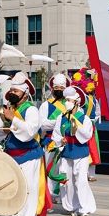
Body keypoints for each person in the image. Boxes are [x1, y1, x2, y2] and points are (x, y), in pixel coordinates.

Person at [0, 72, 50, 216]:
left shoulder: (31, 109)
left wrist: (13, 120)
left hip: (29, 155)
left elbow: (29, 132)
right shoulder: (8, 109)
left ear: (25, 94)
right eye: (12, 90)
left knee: (29, 189)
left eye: (16, 91)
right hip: (12, 156)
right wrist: (4, 120)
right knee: (17, 189)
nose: (12, 93)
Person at [51, 86, 97, 216]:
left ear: (76, 101)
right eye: (66, 100)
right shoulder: (61, 117)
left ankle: (85, 209)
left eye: (69, 100)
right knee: (67, 181)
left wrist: (76, 128)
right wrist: (61, 140)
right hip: (66, 153)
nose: (67, 102)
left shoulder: (84, 118)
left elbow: (87, 135)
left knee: (80, 180)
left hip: (80, 153)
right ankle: (71, 206)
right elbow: (56, 134)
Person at [39, 73, 70, 201]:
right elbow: (42, 124)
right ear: (52, 88)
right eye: (56, 88)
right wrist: (59, 122)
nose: (59, 90)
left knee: (63, 168)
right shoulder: (46, 105)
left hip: (66, 141)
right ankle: (49, 194)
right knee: (49, 167)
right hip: (50, 141)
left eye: (61, 88)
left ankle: (62, 194)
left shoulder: (69, 104)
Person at [72, 68, 101, 181]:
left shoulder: (94, 100)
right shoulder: (79, 99)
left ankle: (91, 173)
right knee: (82, 149)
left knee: (93, 150)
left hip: (91, 128)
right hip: (80, 126)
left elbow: (97, 112)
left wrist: (93, 120)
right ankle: (81, 172)